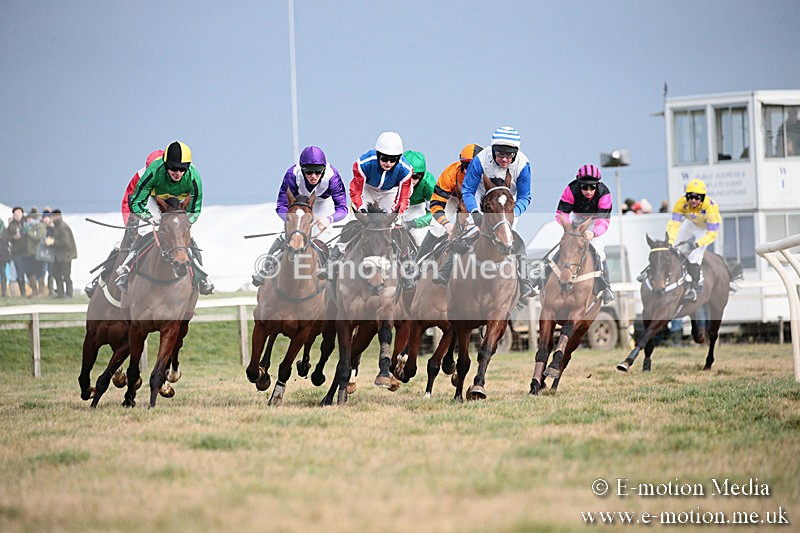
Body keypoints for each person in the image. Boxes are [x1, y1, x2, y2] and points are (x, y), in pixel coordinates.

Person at [434, 126, 535, 299]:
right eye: (500, 154)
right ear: (493, 151)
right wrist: (475, 213)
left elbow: (525, 197)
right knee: (466, 232)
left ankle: (524, 281)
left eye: (509, 155)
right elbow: (468, 190)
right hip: (482, 197)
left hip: (507, 203)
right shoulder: (480, 160)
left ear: (516, 153)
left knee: (513, 239)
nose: (504, 159)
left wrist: (512, 213)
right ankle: (446, 269)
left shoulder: (523, 165)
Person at [115, 141, 214, 295]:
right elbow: (136, 202)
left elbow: (195, 210)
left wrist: (183, 223)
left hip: (178, 201)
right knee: (145, 233)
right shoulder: (153, 172)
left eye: (182, 169)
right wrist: (148, 217)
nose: (178, 173)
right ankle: (126, 269)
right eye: (173, 168)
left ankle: (202, 277)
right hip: (152, 199)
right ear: (166, 165)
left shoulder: (194, 177)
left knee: (182, 235)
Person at [251, 145, 348, 286]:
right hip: (299, 203)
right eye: (309, 172)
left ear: (324, 170)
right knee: (287, 235)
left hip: (322, 204)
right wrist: (292, 221)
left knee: (323, 239)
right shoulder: (292, 175)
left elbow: (343, 209)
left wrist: (329, 220)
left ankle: (328, 272)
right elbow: (281, 206)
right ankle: (267, 266)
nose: (313, 176)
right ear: (302, 169)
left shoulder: (333, 177)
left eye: (318, 172)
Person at [323, 131, 413, 270]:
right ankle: (333, 259)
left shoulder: (406, 170)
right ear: (378, 154)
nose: (388, 163)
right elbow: (356, 191)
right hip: (367, 190)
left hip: (390, 193)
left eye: (393, 159)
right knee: (353, 223)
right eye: (384, 158)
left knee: (397, 226)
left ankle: (406, 263)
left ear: (399, 157)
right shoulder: (362, 164)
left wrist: (394, 216)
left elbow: (403, 198)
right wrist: (361, 210)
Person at [84, 149, 164, 297]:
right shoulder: (140, 176)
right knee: (121, 244)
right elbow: (128, 202)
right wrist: (131, 226)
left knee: (185, 240)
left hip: (167, 213)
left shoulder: (178, 174)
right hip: (144, 211)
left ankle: (202, 277)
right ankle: (99, 280)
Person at [555, 164, 614, 304]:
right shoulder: (571, 189)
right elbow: (561, 214)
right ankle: (543, 276)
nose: (588, 191)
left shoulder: (604, 194)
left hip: (595, 221)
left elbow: (603, 222)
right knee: (565, 246)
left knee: (599, 252)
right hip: (576, 218)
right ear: (579, 184)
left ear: (597, 185)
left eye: (592, 187)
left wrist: (593, 233)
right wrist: (569, 229)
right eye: (584, 187)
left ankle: (607, 287)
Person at [416, 143, 482, 260]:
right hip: (454, 198)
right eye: (465, 165)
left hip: (476, 200)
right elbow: (436, 203)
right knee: (437, 227)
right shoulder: (450, 173)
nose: (468, 170)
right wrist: (446, 224)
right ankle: (418, 262)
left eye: (473, 166)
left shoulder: (489, 175)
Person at [665, 179, 720, 301]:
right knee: (671, 246)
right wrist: (670, 241)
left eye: (697, 197)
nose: (693, 200)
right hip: (690, 223)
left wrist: (698, 244)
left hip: (705, 228)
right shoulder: (681, 203)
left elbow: (713, 234)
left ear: (703, 197)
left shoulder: (711, 208)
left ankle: (695, 286)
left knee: (694, 256)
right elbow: (674, 224)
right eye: (690, 197)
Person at [400, 150, 436, 247]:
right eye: (408, 175)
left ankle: (422, 256)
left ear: (422, 175)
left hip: (416, 209)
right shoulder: (392, 176)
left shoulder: (429, 184)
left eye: (416, 176)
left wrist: (414, 223)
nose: (411, 180)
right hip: (394, 207)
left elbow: (433, 214)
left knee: (420, 236)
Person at [48, 209, 77, 298]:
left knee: (66, 275)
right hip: (59, 256)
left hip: (66, 256)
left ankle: (69, 293)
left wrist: (53, 242)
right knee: (57, 274)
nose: (51, 218)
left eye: (53, 216)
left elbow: (65, 242)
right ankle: (60, 293)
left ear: (58, 216)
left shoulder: (63, 227)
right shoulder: (57, 226)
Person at [4, 207, 28, 296]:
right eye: (15, 214)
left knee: (30, 272)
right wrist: (13, 237)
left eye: (19, 213)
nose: (17, 216)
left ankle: (35, 290)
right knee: (20, 273)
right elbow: (6, 237)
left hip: (28, 251)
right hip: (17, 252)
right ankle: (23, 292)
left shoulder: (26, 223)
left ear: (22, 214)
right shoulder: (11, 225)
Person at [23, 208, 47, 297]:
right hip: (30, 253)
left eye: (29, 219)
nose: (28, 220)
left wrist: (29, 232)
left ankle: (41, 292)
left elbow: (39, 238)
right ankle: (34, 290)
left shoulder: (40, 226)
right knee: (29, 271)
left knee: (40, 272)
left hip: (38, 254)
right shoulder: (28, 227)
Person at [0, 216, 10, 297]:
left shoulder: (5, 231)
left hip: (2, 255)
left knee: (3, 272)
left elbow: (6, 244)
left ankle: (4, 292)